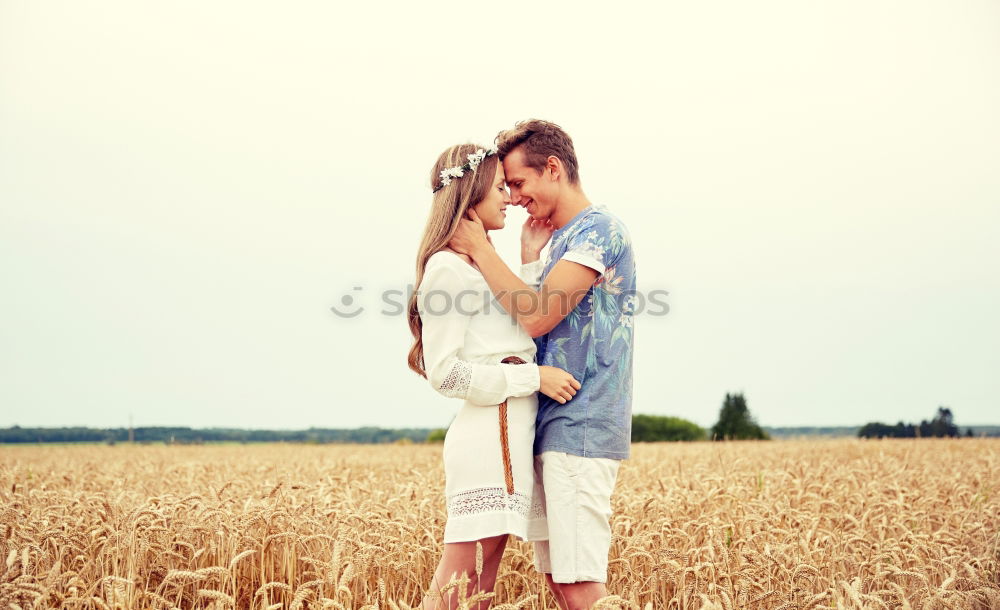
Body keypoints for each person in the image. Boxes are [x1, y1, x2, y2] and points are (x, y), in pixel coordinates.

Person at [448, 120, 636, 610]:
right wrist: (530, 260)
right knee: (561, 582)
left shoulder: (598, 231)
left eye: (518, 183)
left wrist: (482, 250)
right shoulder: (562, 240)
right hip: (553, 426)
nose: (512, 197)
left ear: (552, 168)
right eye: (506, 187)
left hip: (582, 425)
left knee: (578, 583)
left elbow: (535, 318)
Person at [407, 142, 581, 610]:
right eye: (501, 187)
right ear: (472, 192)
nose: (509, 197)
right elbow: (444, 374)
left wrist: (527, 260)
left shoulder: (476, 267)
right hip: (489, 437)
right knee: (459, 584)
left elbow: (514, 328)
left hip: (508, 435)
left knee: (480, 585)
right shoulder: (447, 268)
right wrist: (534, 379)